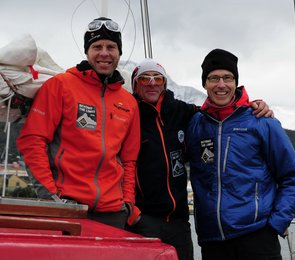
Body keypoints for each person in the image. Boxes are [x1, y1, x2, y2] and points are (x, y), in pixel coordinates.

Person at [126, 58, 273, 260]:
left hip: (179, 221)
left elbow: (217, 113)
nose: (152, 83)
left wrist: (250, 105)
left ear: (164, 83)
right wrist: (131, 212)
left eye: (158, 79)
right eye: (144, 79)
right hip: (143, 218)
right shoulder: (126, 114)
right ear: (134, 85)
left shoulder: (182, 111)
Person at [16, 17, 140, 229]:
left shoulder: (128, 102)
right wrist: (50, 195)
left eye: (111, 47)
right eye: (97, 46)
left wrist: (127, 202)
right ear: (87, 51)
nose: (104, 53)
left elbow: (129, 161)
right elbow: (32, 140)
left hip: (113, 213)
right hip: (67, 206)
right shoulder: (61, 86)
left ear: (119, 53)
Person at [186, 48, 295, 260]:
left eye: (227, 78)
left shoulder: (261, 122)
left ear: (236, 82)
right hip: (212, 241)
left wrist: (276, 224)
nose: (221, 84)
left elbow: (293, 177)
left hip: (257, 237)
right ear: (204, 83)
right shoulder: (196, 124)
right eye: (213, 78)